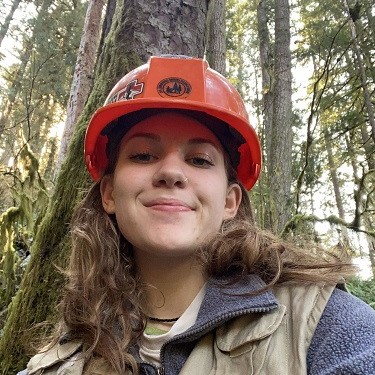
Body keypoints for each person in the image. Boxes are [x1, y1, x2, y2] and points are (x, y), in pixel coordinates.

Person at [20, 55, 375, 375]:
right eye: (143, 155)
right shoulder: (60, 361)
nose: (171, 172)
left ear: (230, 202)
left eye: (200, 159)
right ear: (109, 193)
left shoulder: (318, 322)